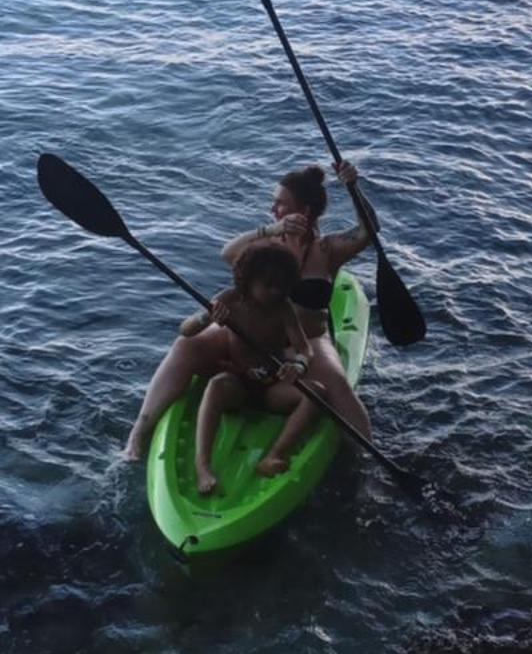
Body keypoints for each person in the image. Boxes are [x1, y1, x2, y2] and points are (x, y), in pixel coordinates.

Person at [121, 157, 373, 463]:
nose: (273, 209)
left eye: (280, 204)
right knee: (186, 345)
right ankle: (138, 434)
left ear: (304, 211)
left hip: (306, 341)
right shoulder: (267, 246)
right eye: (273, 204)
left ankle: (366, 465)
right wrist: (271, 228)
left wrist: (353, 187)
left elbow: (368, 231)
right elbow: (228, 253)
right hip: (254, 332)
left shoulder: (327, 250)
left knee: (339, 391)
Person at [180, 242, 315, 492]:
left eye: (282, 286)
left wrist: (299, 365)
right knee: (217, 384)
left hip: (272, 385)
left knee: (316, 392)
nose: (275, 292)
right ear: (247, 279)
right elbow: (186, 330)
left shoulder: (283, 308)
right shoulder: (228, 299)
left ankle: (273, 455)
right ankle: (202, 468)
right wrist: (207, 317)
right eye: (268, 285)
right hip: (239, 383)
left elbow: (305, 349)